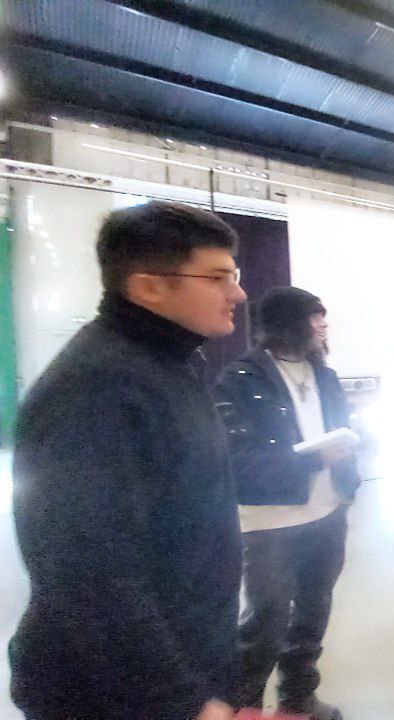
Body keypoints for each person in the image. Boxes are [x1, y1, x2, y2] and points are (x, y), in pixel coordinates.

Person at [10, 201, 247, 720]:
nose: (238, 293)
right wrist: (180, 700)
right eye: (218, 277)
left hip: (180, 661)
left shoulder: (168, 366)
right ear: (148, 288)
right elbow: (88, 571)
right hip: (111, 694)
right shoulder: (96, 388)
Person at [216, 287, 361, 720]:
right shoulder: (239, 379)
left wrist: (352, 452)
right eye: (315, 318)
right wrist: (314, 459)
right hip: (269, 522)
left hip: (328, 512)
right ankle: (243, 709)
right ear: (288, 324)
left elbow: (339, 428)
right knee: (267, 618)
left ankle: (297, 701)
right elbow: (235, 460)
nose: (323, 326)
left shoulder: (325, 375)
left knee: (313, 612)